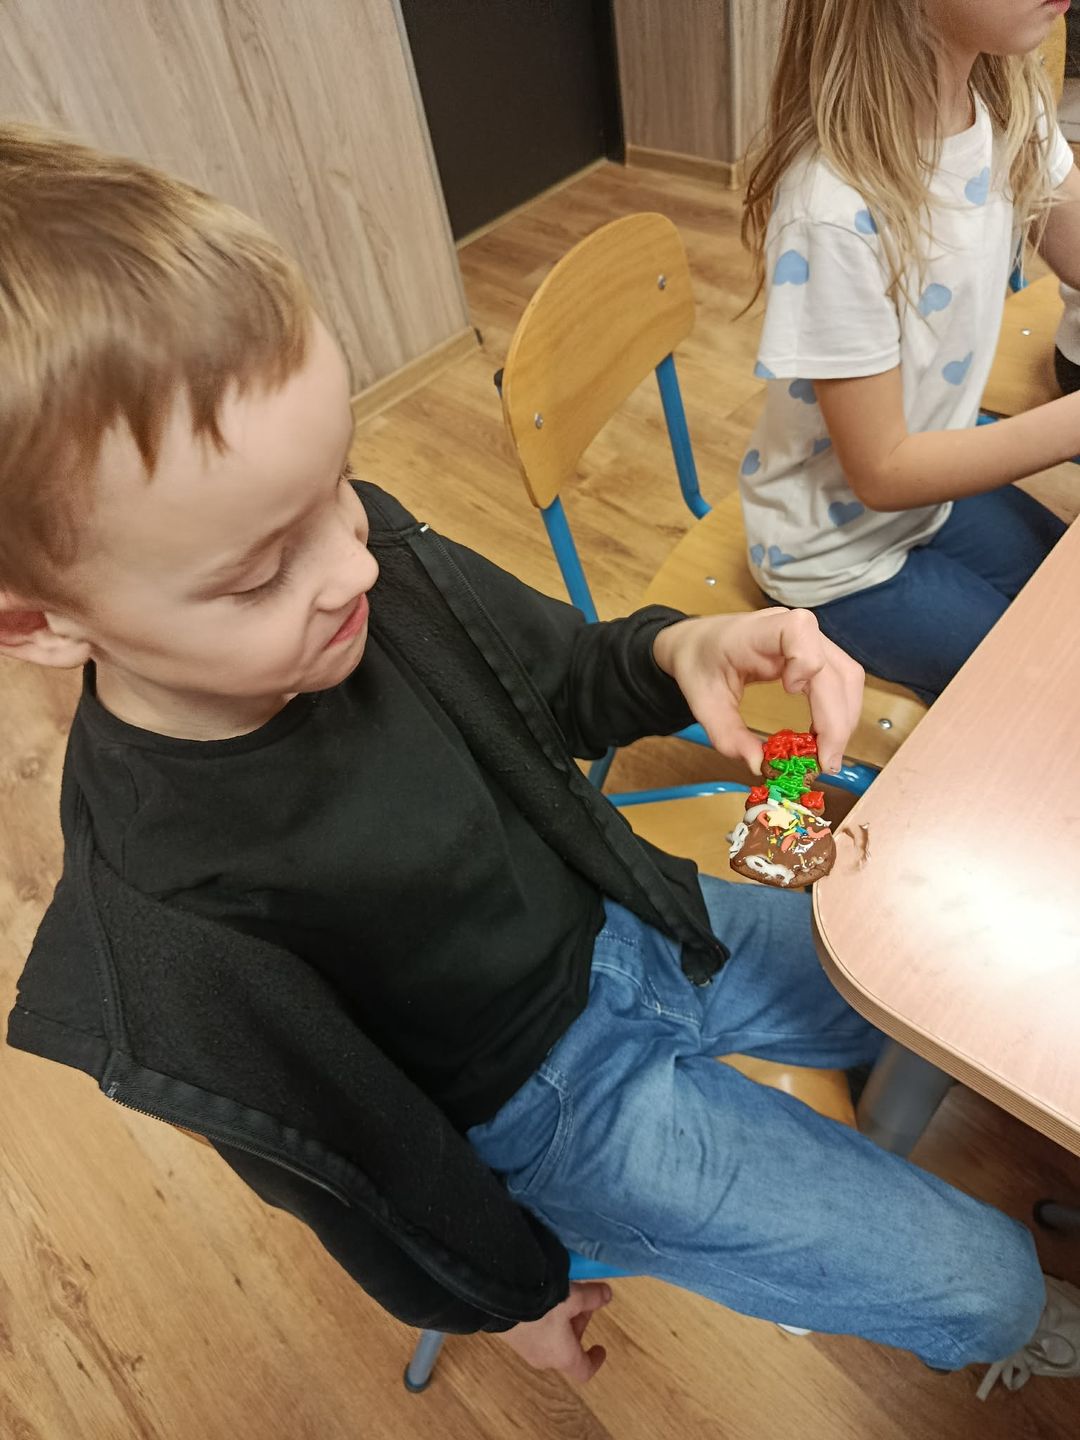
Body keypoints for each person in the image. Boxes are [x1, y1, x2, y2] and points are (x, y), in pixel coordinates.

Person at [2, 124, 1076, 1401]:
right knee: (994, 1286)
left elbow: (561, 676)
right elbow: (365, 1170)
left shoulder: (366, 566)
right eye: (256, 574)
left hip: (638, 916)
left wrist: (682, 648)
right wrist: (509, 1297)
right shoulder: (161, 926)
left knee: (954, 984)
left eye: (340, 485)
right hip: (553, 1110)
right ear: (37, 623)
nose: (353, 565)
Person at [740, 0, 1079, 705]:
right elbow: (884, 471)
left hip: (934, 493)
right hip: (834, 555)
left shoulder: (1010, 108)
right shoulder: (832, 210)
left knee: (1062, 605)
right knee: (1039, 689)